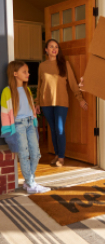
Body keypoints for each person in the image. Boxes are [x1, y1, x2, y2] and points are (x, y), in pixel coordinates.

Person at [36, 39, 88, 167]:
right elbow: (39, 86)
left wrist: (80, 99)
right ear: (46, 50)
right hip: (46, 102)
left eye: (56, 47)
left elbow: (73, 83)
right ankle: (56, 155)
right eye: (51, 47)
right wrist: (37, 103)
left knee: (59, 129)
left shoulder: (65, 64)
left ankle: (61, 158)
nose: (54, 49)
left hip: (61, 102)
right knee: (52, 130)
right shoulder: (42, 66)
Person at [1, 61, 51, 193]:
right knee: (24, 155)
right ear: (15, 73)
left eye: (28, 71)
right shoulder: (7, 92)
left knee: (36, 154)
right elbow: (5, 113)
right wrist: (7, 132)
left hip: (30, 124)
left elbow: (31, 109)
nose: (28, 74)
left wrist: (34, 123)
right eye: (25, 72)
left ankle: (29, 182)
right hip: (18, 126)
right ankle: (31, 184)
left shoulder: (27, 89)